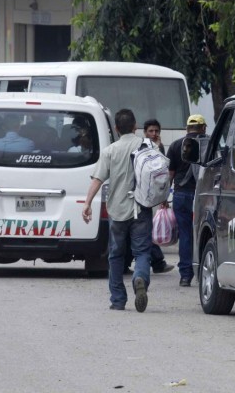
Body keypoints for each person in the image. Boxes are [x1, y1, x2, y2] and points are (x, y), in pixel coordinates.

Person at [82, 108, 152, 313]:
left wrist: (87, 203)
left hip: (117, 209)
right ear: (135, 126)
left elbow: (98, 179)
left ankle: (118, 299)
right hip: (141, 208)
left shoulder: (110, 151)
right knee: (141, 252)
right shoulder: (146, 146)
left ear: (116, 128)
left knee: (115, 255)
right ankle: (140, 277)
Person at [123, 118, 174, 275]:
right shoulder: (142, 146)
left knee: (141, 233)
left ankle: (149, 262)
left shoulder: (159, 148)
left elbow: (163, 175)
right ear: (144, 132)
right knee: (142, 233)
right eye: (151, 131)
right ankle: (156, 262)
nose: (154, 134)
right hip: (140, 196)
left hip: (152, 198)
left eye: (156, 131)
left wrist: (164, 198)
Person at [167, 114, 207, 287]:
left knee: (185, 235)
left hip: (181, 195)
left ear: (187, 129)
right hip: (204, 196)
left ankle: (185, 275)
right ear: (203, 128)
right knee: (205, 235)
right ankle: (204, 272)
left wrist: (163, 197)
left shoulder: (176, 145)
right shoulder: (210, 144)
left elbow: (170, 174)